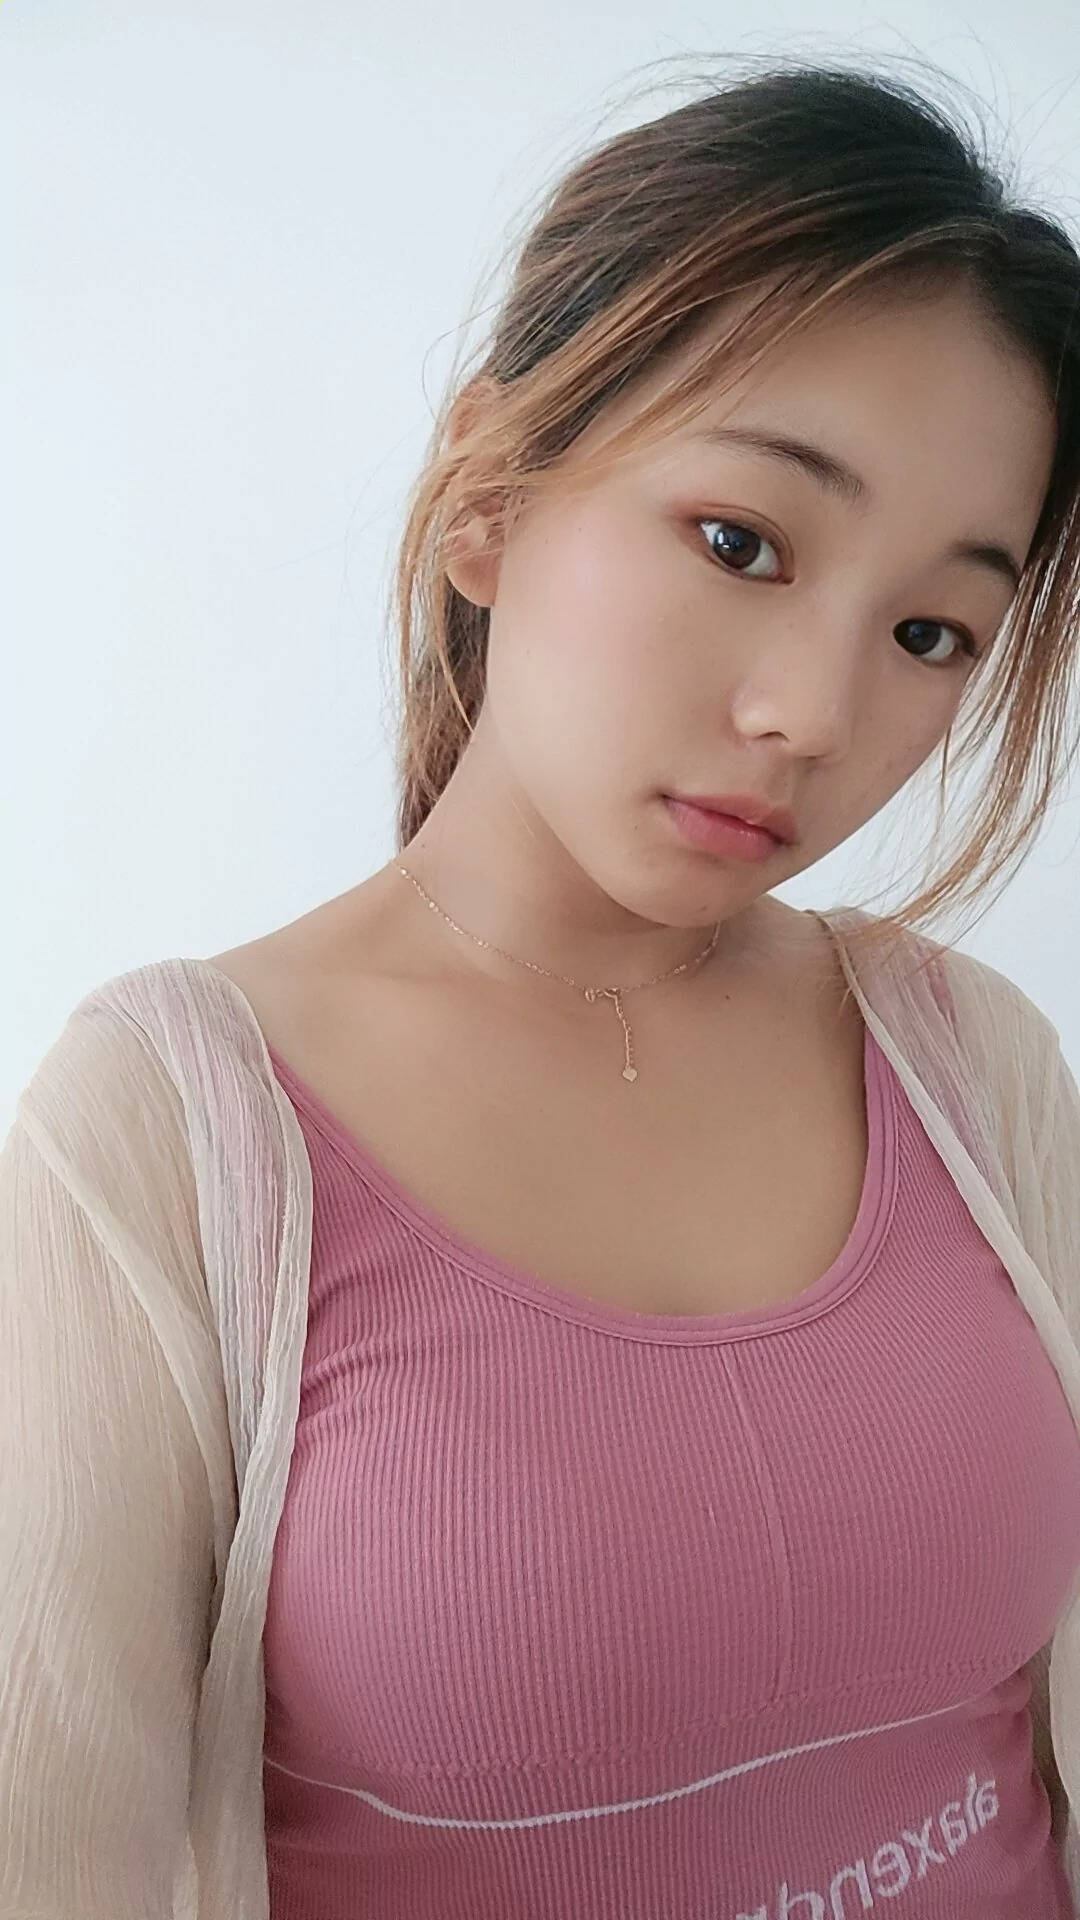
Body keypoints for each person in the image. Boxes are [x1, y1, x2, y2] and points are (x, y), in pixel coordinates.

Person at [6, 54, 1080, 1920]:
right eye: (741, 542)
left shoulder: (968, 1065)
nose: (813, 714)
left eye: (930, 631)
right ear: (492, 496)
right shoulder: (170, 1138)